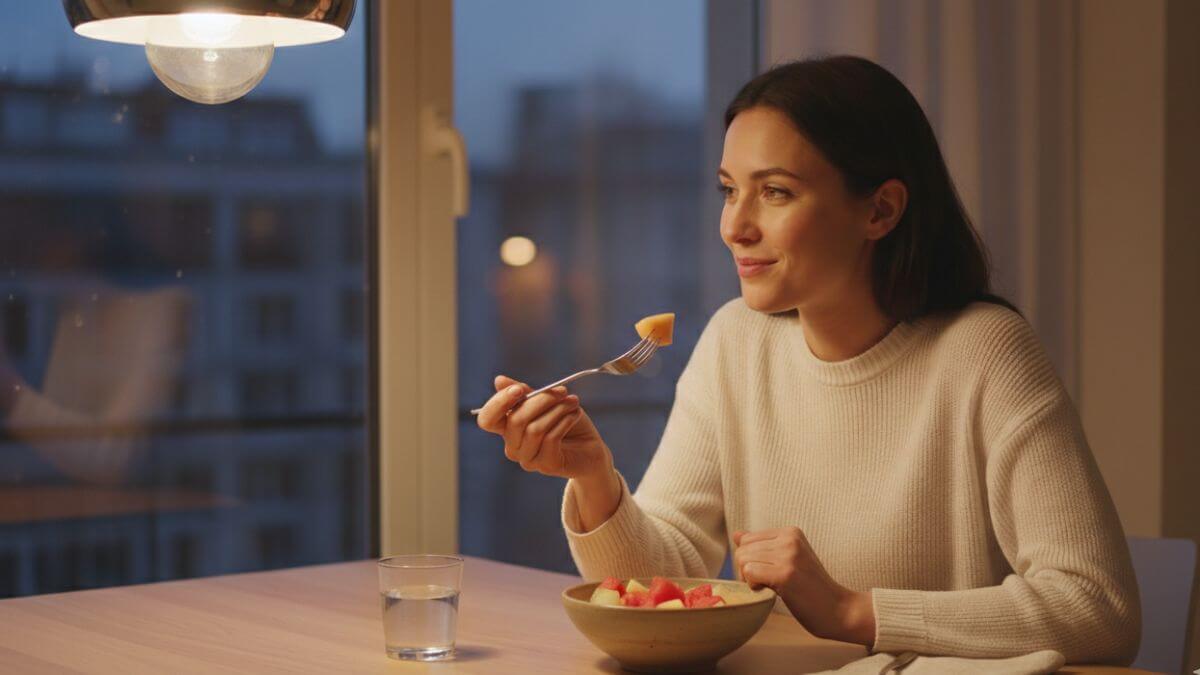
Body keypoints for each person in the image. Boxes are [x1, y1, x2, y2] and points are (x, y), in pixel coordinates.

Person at [475, 56, 1140, 664]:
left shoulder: (985, 351)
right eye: (729, 189)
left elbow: (1099, 608)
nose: (735, 226)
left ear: (880, 210)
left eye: (776, 192)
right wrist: (595, 479)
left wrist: (854, 609)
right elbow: (671, 578)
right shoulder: (736, 340)